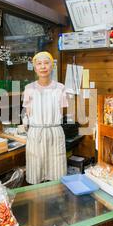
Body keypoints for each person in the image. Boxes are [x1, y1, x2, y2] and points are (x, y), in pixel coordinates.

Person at [22, 51, 68, 184]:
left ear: (52, 66)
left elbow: (61, 111)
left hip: (55, 132)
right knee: (35, 173)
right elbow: (28, 113)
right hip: (36, 133)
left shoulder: (60, 88)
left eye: (46, 63)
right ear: (35, 68)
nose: (43, 67)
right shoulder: (28, 88)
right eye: (39, 64)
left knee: (57, 174)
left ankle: (57, 202)